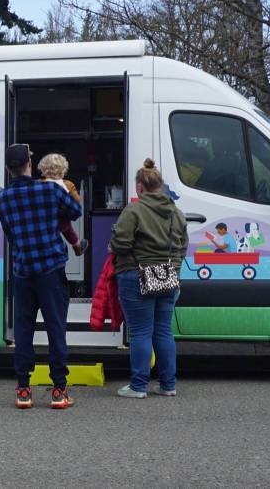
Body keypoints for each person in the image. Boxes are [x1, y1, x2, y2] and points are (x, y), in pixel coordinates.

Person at [0, 144, 82, 410]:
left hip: (23, 270)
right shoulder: (49, 190)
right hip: (50, 269)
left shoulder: (3, 198)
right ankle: (59, 390)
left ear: (8, 169)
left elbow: (10, 235)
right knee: (55, 328)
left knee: (23, 330)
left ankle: (23, 390)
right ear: (29, 165)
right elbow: (75, 211)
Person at [109, 158, 188, 398]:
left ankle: (138, 386)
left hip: (137, 275)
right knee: (163, 331)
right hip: (168, 276)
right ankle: (168, 385)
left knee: (141, 332)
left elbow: (121, 243)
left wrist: (112, 245)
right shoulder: (176, 212)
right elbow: (183, 247)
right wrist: (172, 268)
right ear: (160, 185)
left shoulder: (133, 211)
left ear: (140, 187)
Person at [37, 153, 87, 256]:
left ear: (43, 168)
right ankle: (77, 247)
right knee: (69, 230)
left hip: (43, 221)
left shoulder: (38, 183)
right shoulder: (68, 184)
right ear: (63, 169)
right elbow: (77, 201)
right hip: (62, 221)